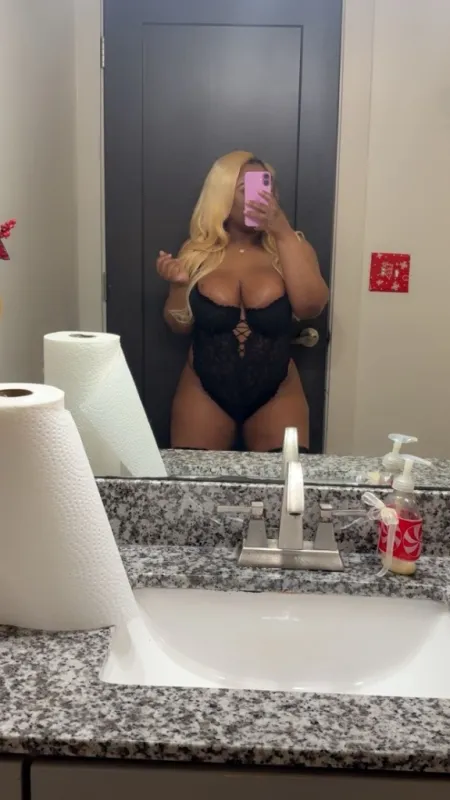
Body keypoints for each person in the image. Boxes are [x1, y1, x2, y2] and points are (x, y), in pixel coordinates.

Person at [156, 150, 328, 452]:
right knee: (195, 479)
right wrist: (178, 287)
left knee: (284, 478)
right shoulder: (197, 251)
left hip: (278, 392)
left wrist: (283, 232)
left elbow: (310, 307)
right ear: (222, 195)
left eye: (267, 186)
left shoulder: (292, 246)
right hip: (203, 390)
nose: (262, 196)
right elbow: (178, 326)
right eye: (245, 188)